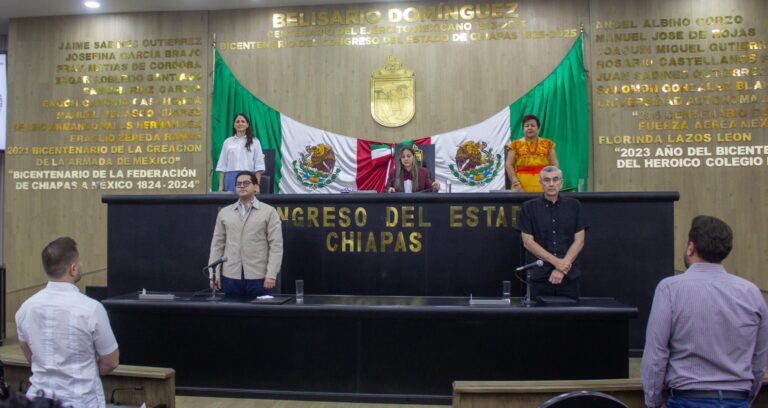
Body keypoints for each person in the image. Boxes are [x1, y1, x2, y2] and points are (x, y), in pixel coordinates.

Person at [641, 216, 768, 408]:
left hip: (686, 399)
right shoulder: (751, 293)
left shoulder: (669, 289)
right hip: (736, 399)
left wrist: (653, 402)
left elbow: (655, 355)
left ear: (691, 248)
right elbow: (759, 359)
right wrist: (747, 398)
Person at [15, 237, 119, 408]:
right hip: (80, 400)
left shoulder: (26, 308)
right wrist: (84, 375)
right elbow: (110, 362)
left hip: (37, 400)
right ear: (73, 268)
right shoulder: (91, 309)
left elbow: (30, 356)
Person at [209, 171, 283, 298]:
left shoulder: (268, 212)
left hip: (259, 277)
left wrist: (271, 274)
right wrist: (214, 274)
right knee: (232, 316)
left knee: (259, 316)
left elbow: (276, 246)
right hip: (231, 276)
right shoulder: (225, 213)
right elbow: (217, 245)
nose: (241, 186)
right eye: (238, 184)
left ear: (256, 186)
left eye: (246, 183)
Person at [517, 166, 587, 299]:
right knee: (537, 319)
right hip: (539, 278)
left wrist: (562, 267)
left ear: (561, 182)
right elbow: (528, 242)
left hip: (569, 277)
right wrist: (558, 263)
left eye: (555, 180)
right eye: (546, 180)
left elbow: (579, 240)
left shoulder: (575, 205)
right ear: (540, 183)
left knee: (571, 319)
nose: (551, 184)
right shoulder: (528, 207)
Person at [505, 114, 559, 192]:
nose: (530, 128)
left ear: (538, 129)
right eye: (527, 126)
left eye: (533, 125)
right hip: (521, 186)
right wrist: (516, 183)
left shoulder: (548, 144)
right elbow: (508, 164)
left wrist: (551, 181)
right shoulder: (515, 145)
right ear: (523, 129)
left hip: (543, 184)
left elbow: (555, 164)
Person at [216, 113, 266, 193]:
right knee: (231, 204)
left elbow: (259, 166)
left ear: (247, 125)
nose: (240, 123)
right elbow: (222, 166)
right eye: (237, 121)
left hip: (248, 178)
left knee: (247, 203)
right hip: (230, 178)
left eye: (243, 121)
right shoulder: (227, 142)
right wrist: (221, 186)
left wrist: (256, 185)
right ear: (234, 125)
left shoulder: (255, 142)